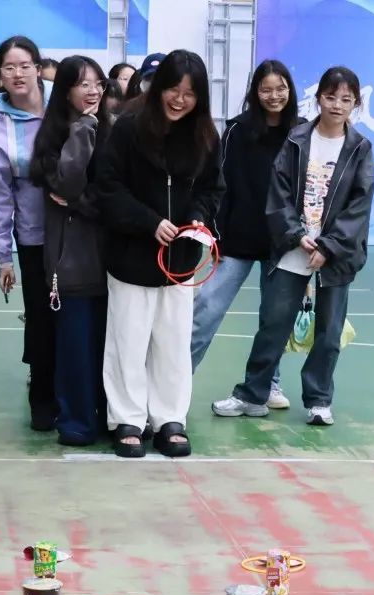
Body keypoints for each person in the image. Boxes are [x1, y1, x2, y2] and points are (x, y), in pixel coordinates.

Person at [212, 66, 374, 427]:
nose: (337, 105)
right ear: (318, 98)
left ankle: (319, 400)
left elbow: (359, 205)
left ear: (356, 103)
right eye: (330, 97)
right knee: (273, 323)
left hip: (335, 255)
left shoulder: (360, 148)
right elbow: (279, 192)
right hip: (291, 247)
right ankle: (252, 394)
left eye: (346, 99)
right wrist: (296, 235)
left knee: (328, 331)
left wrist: (328, 246)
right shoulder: (297, 139)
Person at [96, 50, 224, 458]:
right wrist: (148, 222)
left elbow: (212, 189)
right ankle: (128, 419)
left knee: (173, 343)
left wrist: (198, 217)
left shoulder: (206, 137)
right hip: (131, 258)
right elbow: (107, 187)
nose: (179, 100)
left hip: (180, 263)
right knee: (128, 342)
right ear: (158, 88)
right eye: (173, 89)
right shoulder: (128, 128)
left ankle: (170, 418)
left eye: (190, 93)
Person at [190, 59, 304, 410]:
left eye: (281, 88)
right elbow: (220, 184)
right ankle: (175, 381)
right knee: (205, 309)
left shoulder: (302, 132)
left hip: (283, 243)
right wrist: (216, 235)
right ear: (255, 92)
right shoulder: (237, 131)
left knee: (276, 319)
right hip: (237, 241)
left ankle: (269, 384)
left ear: (290, 90)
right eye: (266, 89)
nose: (274, 95)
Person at [28, 55, 111, 445]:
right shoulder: (53, 138)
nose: (93, 91)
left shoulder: (117, 132)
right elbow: (67, 184)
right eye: (83, 84)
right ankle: (77, 421)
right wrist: (84, 129)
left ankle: (112, 418)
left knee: (111, 348)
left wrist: (80, 203)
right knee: (75, 348)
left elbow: (113, 195)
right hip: (72, 263)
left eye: (98, 83)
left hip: (114, 261)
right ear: (64, 90)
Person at [0, 35, 56, 431]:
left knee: (81, 315)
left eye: (25, 65)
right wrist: (2, 255)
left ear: (39, 69)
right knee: (41, 317)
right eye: (9, 67)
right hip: (34, 236)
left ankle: (83, 395)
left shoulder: (64, 103)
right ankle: (42, 398)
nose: (18, 74)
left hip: (81, 231)